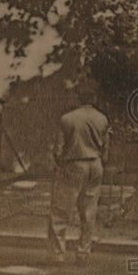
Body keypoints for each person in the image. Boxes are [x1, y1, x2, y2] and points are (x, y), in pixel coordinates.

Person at [48, 98, 111, 264]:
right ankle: (83, 253)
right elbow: (106, 150)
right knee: (89, 212)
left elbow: (58, 150)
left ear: (79, 99)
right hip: (95, 165)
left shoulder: (67, 118)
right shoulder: (102, 118)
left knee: (61, 211)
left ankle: (57, 254)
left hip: (74, 163)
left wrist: (61, 165)